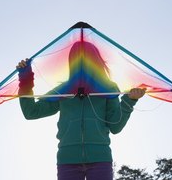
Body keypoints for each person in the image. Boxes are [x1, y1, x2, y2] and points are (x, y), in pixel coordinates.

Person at [17, 41, 145, 180]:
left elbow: (115, 126)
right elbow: (31, 112)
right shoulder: (63, 91)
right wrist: (25, 79)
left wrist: (129, 101)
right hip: (67, 161)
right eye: (78, 58)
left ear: (96, 61)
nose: (83, 63)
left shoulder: (108, 89)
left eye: (88, 58)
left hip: (100, 160)